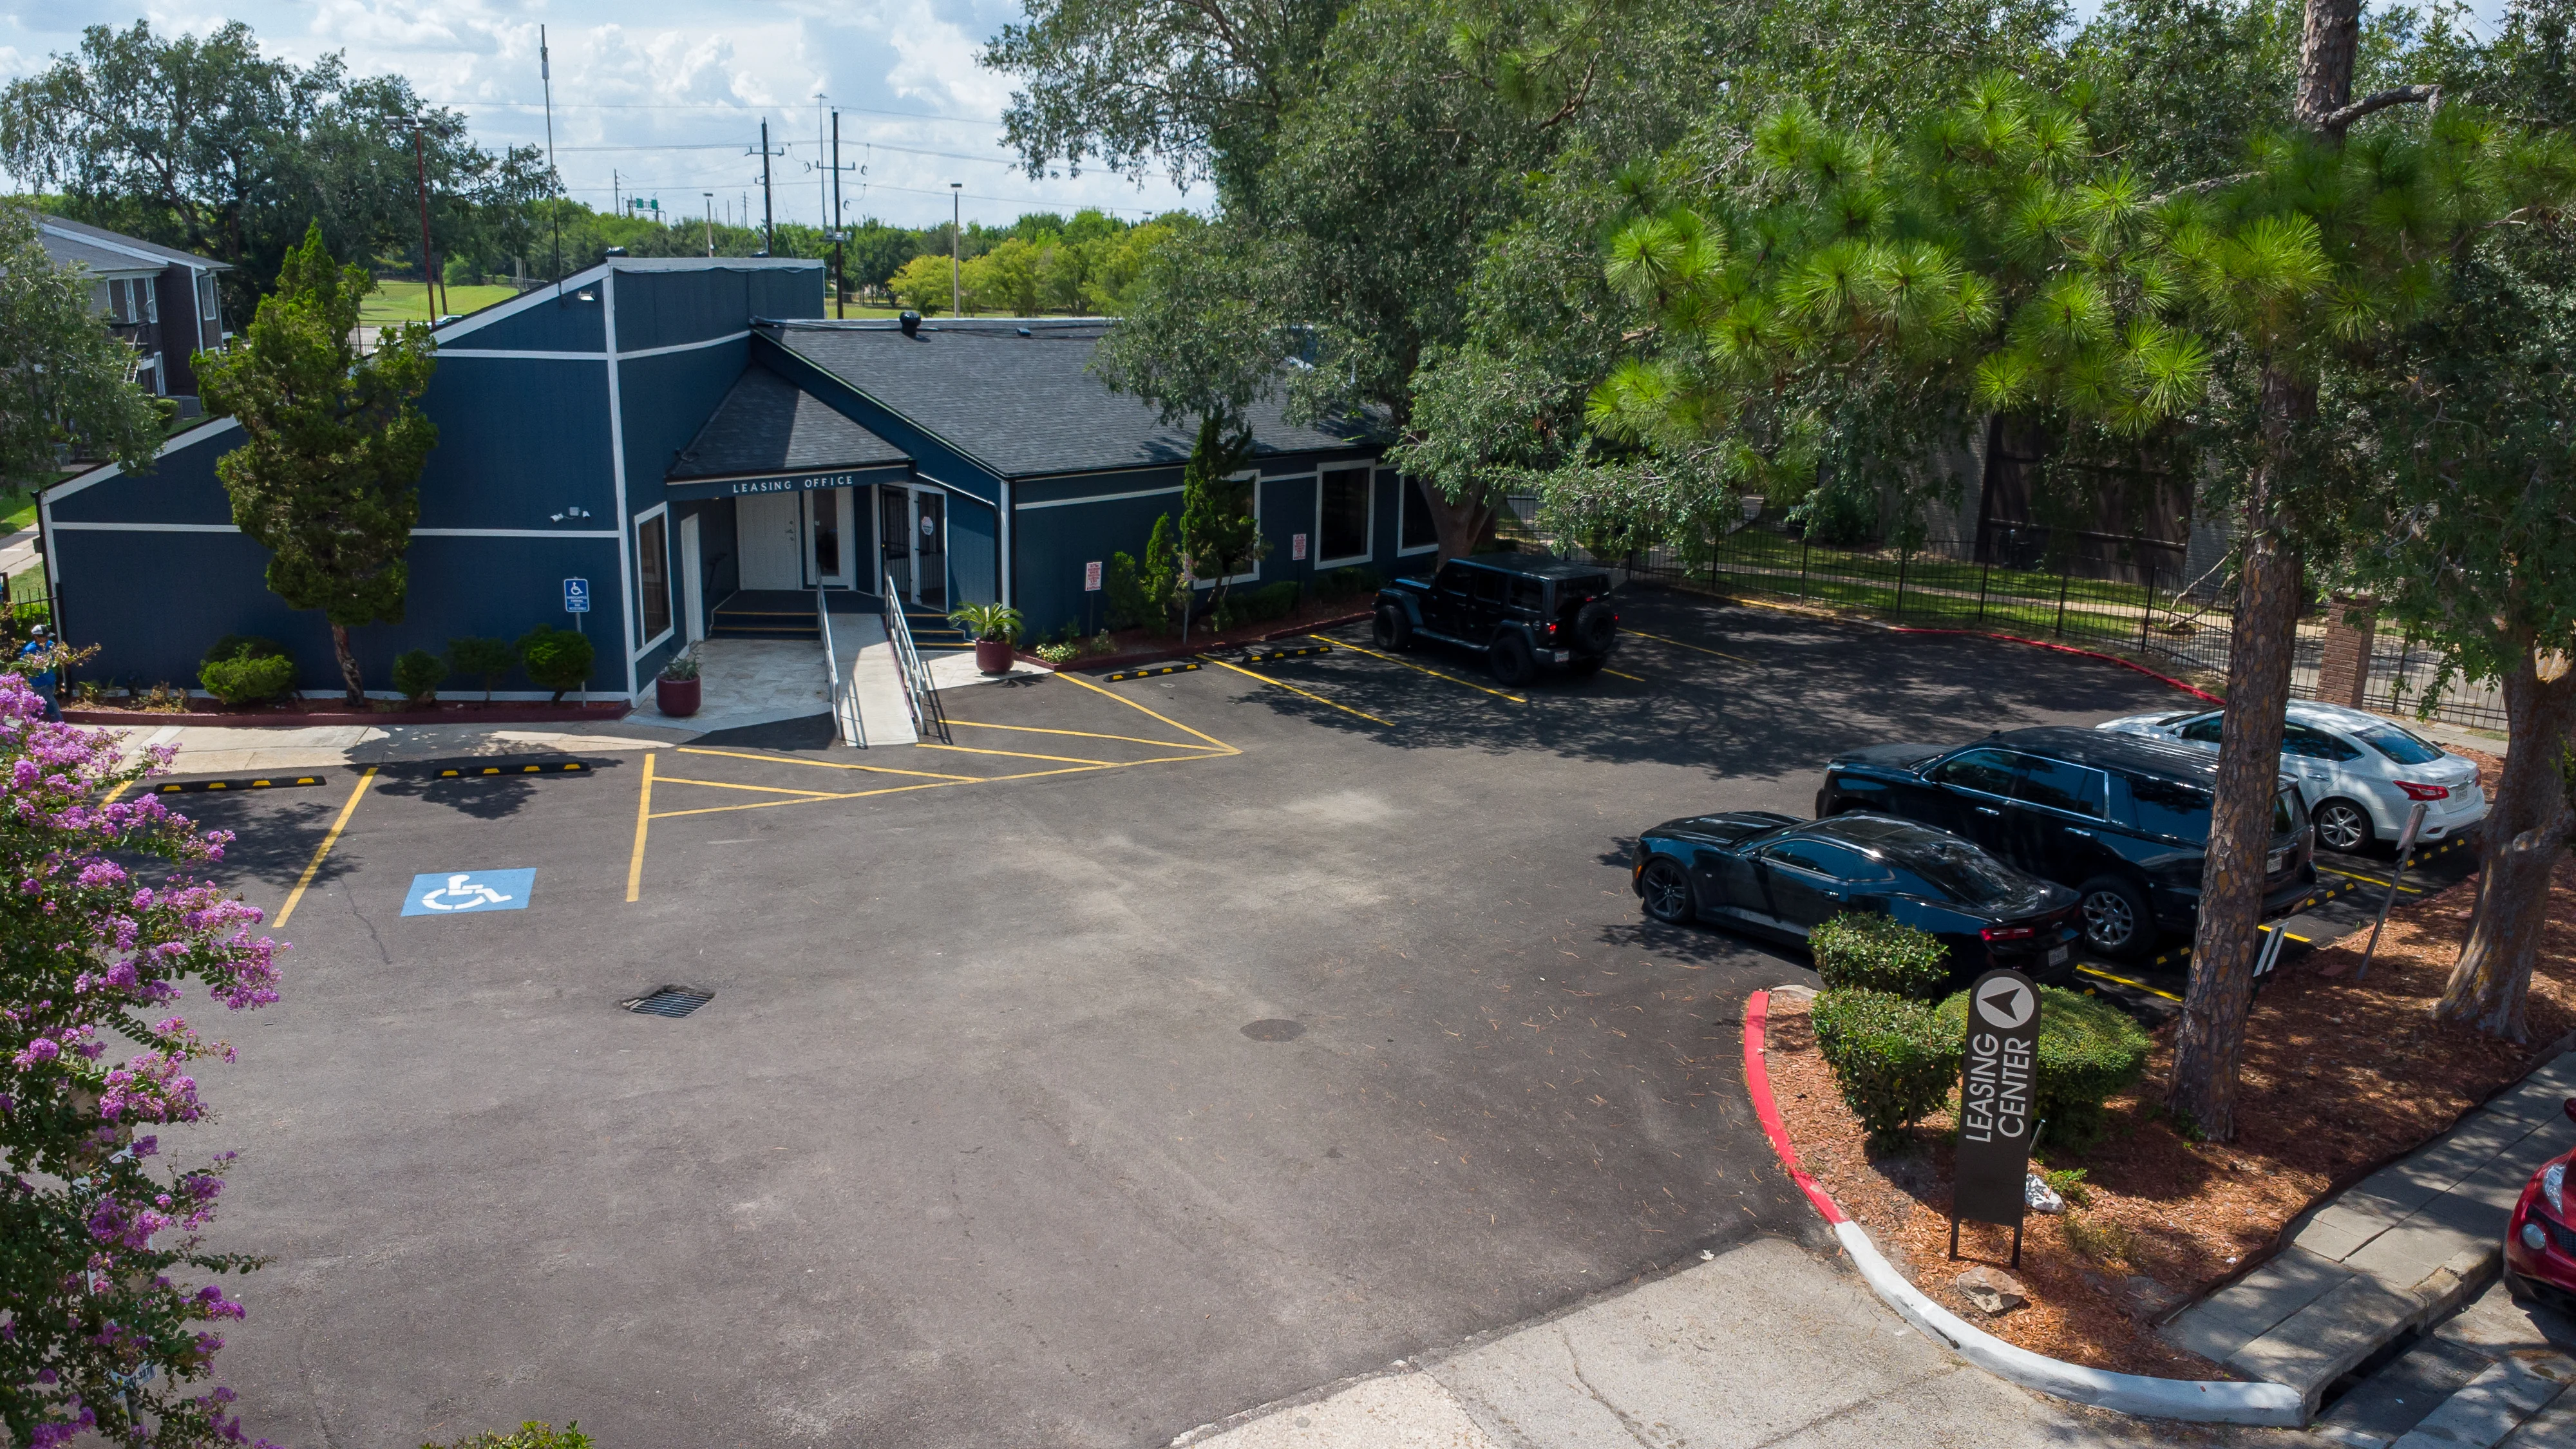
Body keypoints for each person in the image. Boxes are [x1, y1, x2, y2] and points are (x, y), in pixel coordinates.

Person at [20, 625, 59, 722]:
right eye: (45, 637)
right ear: (36, 637)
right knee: (52, 705)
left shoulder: (50, 644)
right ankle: (60, 725)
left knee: (40, 705)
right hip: (39, 683)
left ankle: (31, 723)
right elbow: (24, 666)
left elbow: (56, 658)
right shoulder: (29, 650)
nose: (48, 639)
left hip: (51, 680)